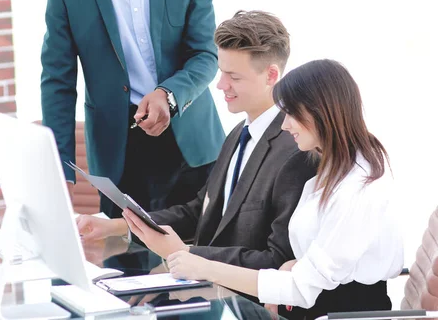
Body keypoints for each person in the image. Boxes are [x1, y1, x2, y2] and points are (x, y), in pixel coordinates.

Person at [154, 59, 403, 319]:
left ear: (321, 112)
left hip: (343, 313)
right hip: (313, 307)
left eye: (292, 114)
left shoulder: (357, 188)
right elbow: (323, 256)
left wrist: (204, 267)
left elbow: (302, 288)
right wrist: (291, 267)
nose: (285, 125)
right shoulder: (332, 166)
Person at [77, 10, 317, 276]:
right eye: (221, 72)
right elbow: (198, 212)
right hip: (208, 289)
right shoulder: (237, 134)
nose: (220, 85)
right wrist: (116, 226)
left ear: (271, 75)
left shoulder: (297, 150)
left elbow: (279, 260)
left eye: (234, 77)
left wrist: (187, 256)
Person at [40, 0, 225, 219]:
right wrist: (61, 168)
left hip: (193, 141)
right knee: (125, 262)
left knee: (201, 258)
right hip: (120, 153)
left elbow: (205, 54)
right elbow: (57, 82)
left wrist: (168, 94)